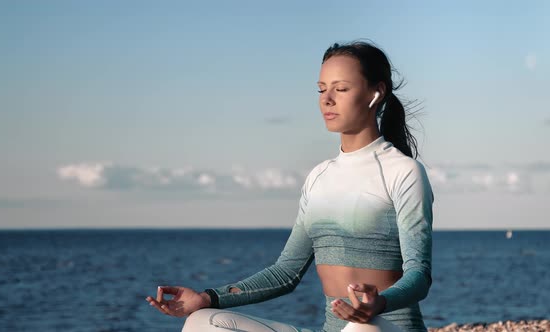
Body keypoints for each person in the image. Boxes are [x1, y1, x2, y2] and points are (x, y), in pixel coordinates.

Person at [145, 40, 435, 332]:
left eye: (341, 89)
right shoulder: (319, 177)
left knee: (363, 327)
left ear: (377, 92)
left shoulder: (403, 172)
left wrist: (380, 303)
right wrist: (208, 297)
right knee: (203, 321)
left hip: (386, 327)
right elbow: (286, 273)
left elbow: (419, 275)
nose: (327, 99)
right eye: (322, 89)